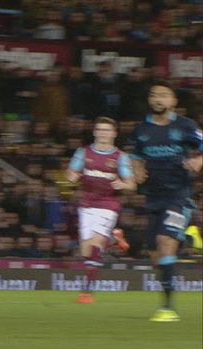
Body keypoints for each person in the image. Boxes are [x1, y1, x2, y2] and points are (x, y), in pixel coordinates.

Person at [129, 83, 203, 322]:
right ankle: (189, 236)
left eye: (163, 95)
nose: (157, 98)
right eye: (153, 95)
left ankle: (167, 308)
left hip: (179, 194)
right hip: (153, 197)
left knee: (164, 241)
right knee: (155, 255)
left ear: (173, 101)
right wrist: (137, 170)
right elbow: (136, 156)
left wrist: (199, 160)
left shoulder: (185, 126)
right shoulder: (141, 129)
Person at [65, 116, 136, 304]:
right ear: (95, 132)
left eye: (107, 130)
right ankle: (113, 239)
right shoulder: (83, 152)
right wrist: (72, 176)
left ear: (114, 133)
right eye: (100, 129)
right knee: (86, 252)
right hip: (86, 205)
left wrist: (123, 184)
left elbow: (131, 184)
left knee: (95, 246)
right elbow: (71, 172)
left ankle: (86, 293)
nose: (103, 133)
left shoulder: (120, 157)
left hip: (108, 205)